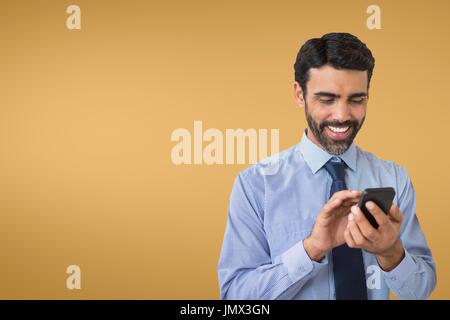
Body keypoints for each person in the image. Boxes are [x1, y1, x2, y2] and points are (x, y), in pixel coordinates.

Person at [217, 32, 436, 300]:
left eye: (356, 99)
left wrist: (390, 252)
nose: (342, 115)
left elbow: (420, 291)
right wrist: (312, 248)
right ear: (300, 94)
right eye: (327, 99)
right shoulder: (255, 185)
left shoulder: (394, 178)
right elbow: (234, 298)